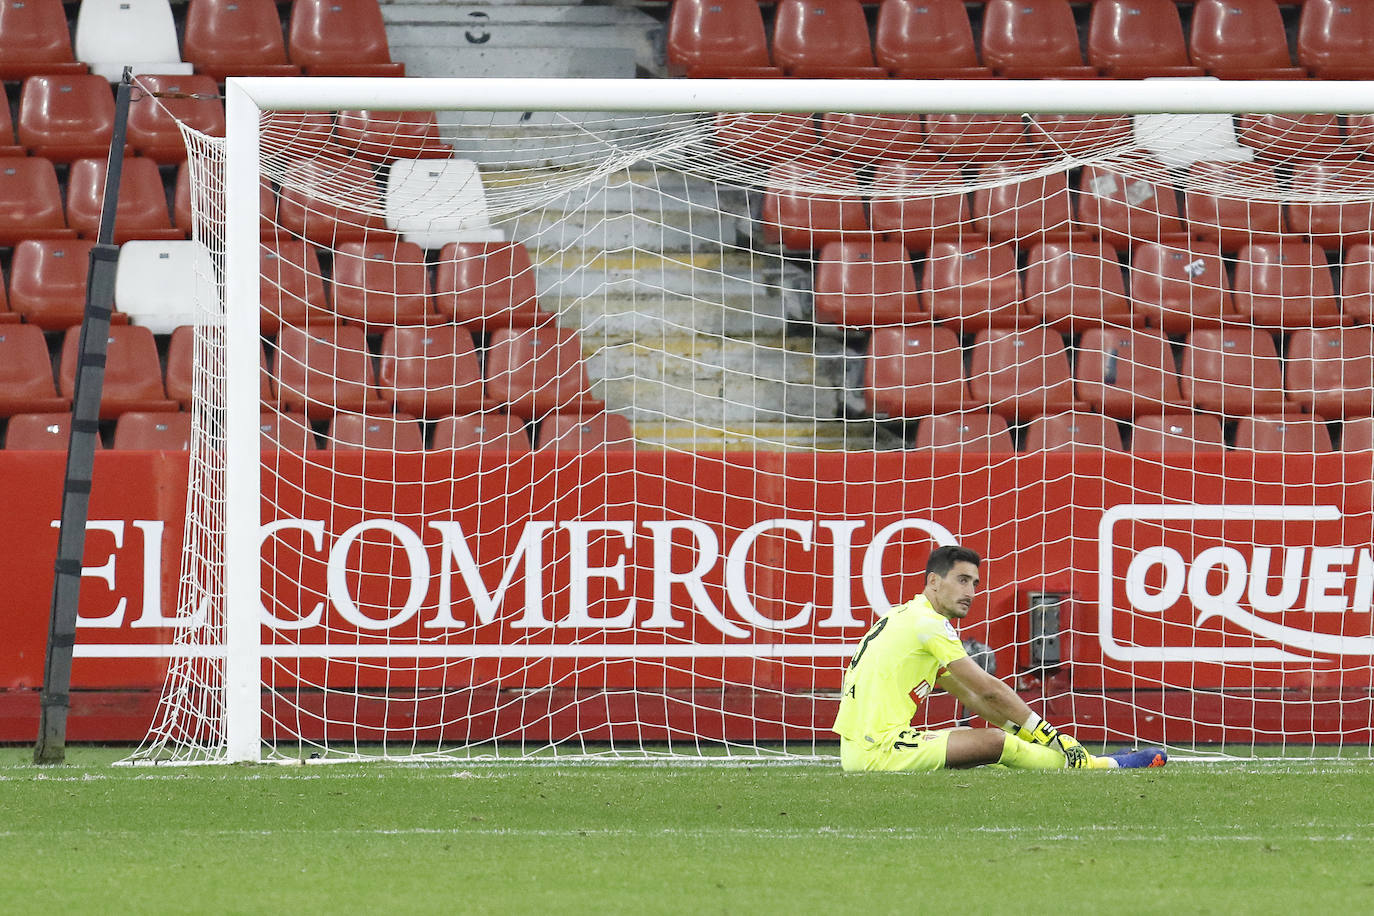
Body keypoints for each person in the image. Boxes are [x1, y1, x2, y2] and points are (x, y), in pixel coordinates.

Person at [833, 544, 1167, 772]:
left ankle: (1085, 759)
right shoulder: (929, 624)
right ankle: (1101, 766)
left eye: (975, 583)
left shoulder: (905, 617)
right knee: (995, 743)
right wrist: (1050, 734)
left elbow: (972, 696)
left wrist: (1025, 731)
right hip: (879, 751)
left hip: (862, 749)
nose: (971, 592)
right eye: (962, 580)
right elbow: (989, 688)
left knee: (991, 742)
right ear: (933, 582)